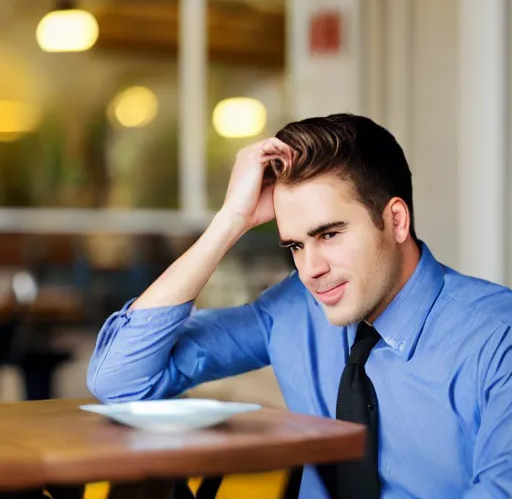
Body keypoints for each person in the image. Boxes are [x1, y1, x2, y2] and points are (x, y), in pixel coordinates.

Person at [87, 114, 512, 499]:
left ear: (396, 221)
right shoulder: (294, 310)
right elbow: (121, 380)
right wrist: (229, 221)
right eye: (295, 245)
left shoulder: (497, 337)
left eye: (329, 235)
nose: (311, 270)